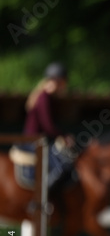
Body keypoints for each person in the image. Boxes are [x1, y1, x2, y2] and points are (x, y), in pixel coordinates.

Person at [22, 62, 75, 193]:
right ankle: (40, 200)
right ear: (58, 81)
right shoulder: (44, 97)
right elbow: (48, 125)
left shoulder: (45, 96)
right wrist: (64, 136)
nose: (65, 85)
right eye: (64, 82)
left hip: (36, 140)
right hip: (34, 141)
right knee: (61, 167)